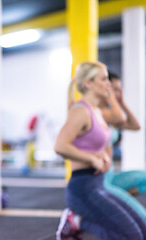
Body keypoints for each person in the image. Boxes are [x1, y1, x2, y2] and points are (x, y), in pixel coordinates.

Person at [54, 61, 146, 240]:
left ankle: (79, 221)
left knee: (142, 231)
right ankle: (78, 221)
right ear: (88, 83)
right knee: (132, 235)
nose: (109, 84)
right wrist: (92, 158)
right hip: (83, 187)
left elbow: (98, 140)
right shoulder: (80, 111)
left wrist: (102, 155)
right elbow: (60, 145)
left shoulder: (96, 111)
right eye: (104, 79)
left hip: (100, 183)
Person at [101, 71, 146, 221]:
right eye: (114, 89)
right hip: (99, 180)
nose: (118, 93)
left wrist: (122, 102)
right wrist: (113, 100)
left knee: (144, 178)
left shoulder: (110, 115)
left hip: (110, 176)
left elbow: (135, 126)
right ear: (105, 88)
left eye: (120, 89)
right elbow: (118, 117)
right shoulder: (99, 113)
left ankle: (112, 203)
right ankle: (109, 203)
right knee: (142, 219)